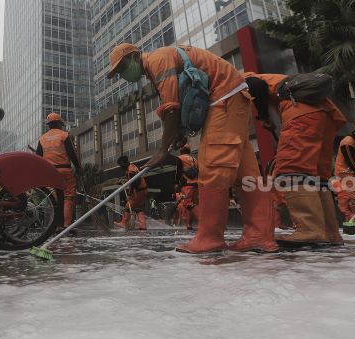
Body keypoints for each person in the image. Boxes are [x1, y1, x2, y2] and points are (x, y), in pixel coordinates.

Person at [107, 43, 276, 253]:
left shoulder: (157, 60)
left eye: (122, 67)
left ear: (133, 55)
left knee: (212, 165)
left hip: (224, 98)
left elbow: (171, 110)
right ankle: (259, 235)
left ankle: (210, 238)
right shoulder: (157, 63)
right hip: (232, 97)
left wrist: (162, 150)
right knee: (246, 173)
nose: (123, 74)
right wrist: (179, 134)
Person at [245, 73, 347, 245]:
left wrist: (262, 115)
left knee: (292, 170)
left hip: (302, 114)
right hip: (326, 115)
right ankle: (330, 233)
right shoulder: (275, 79)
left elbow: (254, 84)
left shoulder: (240, 77)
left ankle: (309, 229)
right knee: (318, 178)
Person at [36, 112, 82, 229]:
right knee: (68, 196)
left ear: (49, 125)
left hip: (50, 173)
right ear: (59, 123)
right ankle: (66, 225)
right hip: (64, 170)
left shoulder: (42, 139)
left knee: (56, 198)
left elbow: (38, 158)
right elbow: (72, 154)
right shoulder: (64, 135)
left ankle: (56, 225)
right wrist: (79, 168)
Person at [114, 155, 148, 230]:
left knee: (128, 205)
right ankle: (142, 225)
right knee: (137, 207)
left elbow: (136, 181)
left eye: (120, 164)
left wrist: (131, 193)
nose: (120, 167)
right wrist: (124, 180)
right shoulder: (132, 166)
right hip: (143, 190)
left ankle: (124, 223)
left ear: (123, 163)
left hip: (139, 191)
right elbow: (132, 179)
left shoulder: (130, 170)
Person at [175, 144, 198, 230]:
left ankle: (204, 223)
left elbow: (178, 172)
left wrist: (176, 182)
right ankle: (189, 225)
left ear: (181, 151)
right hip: (196, 184)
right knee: (193, 204)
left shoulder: (181, 158)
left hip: (187, 184)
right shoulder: (195, 159)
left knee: (189, 205)